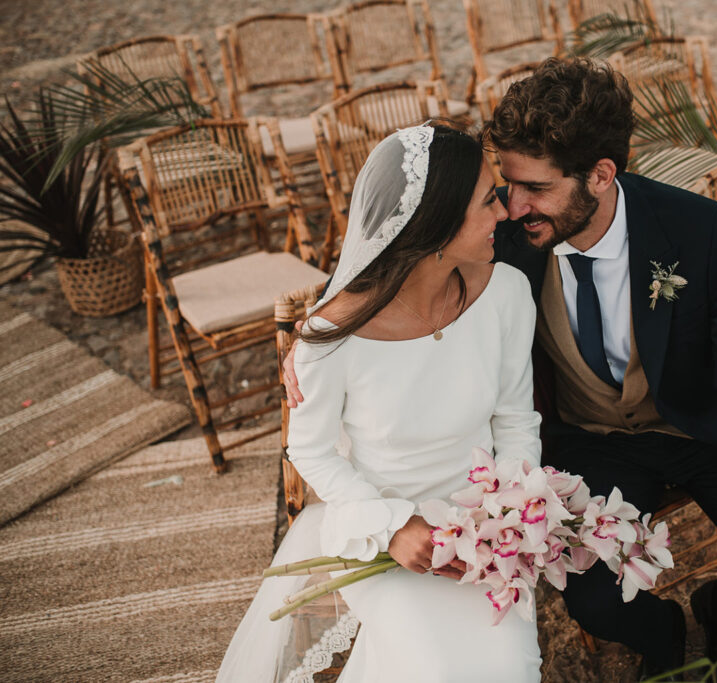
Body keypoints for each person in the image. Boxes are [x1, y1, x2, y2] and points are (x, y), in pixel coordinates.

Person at [286, 58, 717, 679]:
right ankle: (664, 631)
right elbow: (406, 231)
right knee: (596, 601)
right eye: (506, 187)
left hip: (696, 430)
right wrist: (315, 333)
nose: (514, 207)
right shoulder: (500, 242)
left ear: (600, 175)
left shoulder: (697, 230)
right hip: (589, 441)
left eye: (536, 189)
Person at [217, 124, 543, 682]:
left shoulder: (507, 293)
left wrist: (512, 516)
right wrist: (392, 525)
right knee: (434, 670)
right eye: (489, 199)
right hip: (377, 535)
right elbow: (310, 451)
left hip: (484, 534)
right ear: (436, 222)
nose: (506, 213)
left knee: (510, 667)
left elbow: (515, 420)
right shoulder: (331, 338)